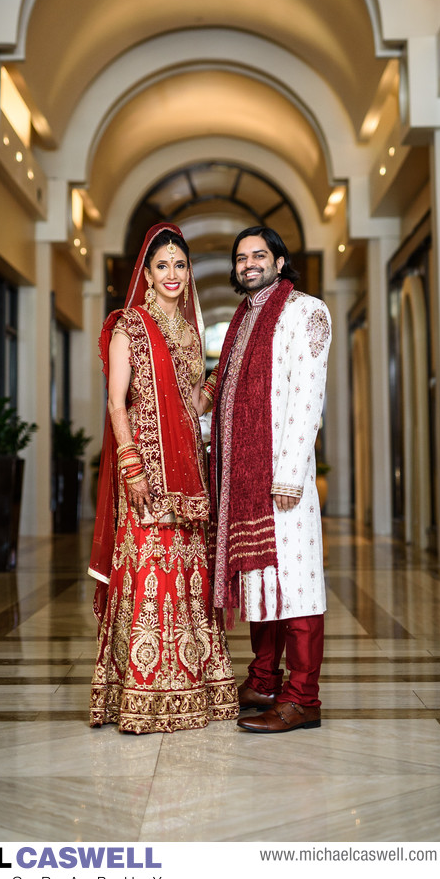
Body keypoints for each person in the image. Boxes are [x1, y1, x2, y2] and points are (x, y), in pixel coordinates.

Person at [89, 222, 239, 734]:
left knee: (188, 574)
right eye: (162, 266)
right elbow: (116, 403)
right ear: (147, 275)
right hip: (148, 474)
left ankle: (192, 685)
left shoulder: (193, 335)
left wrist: (219, 381)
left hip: (189, 474)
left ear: (188, 271)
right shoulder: (129, 326)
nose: (172, 274)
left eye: (180, 264)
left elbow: (191, 404)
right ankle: (144, 688)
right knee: (152, 572)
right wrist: (130, 463)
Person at [202, 226, 332, 733]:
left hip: (282, 477)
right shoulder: (242, 320)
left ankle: (303, 698)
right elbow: (227, 397)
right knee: (262, 582)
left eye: (259, 255)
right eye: (240, 258)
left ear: (280, 262)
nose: (248, 264)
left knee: (296, 584)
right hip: (244, 479)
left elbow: (307, 397)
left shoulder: (306, 311)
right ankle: (263, 680)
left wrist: (290, 475)